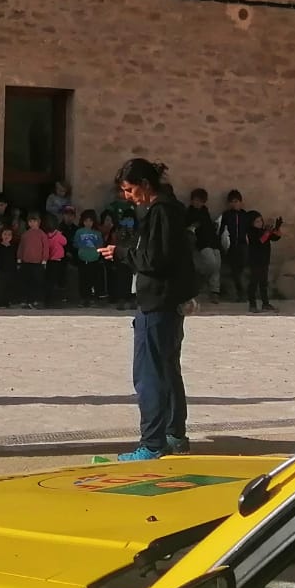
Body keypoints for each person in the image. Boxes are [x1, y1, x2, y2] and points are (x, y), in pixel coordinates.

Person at [100, 158, 195, 461]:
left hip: (156, 303)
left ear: (144, 184)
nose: (128, 196)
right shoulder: (171, 210)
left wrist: (122, 253)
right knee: (168, 368)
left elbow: (154, 260)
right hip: (169, 302)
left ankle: (153, 443)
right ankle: (174, 434)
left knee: (150, 373)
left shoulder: (160, 212)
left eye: (130, 189)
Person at [186, 188, 222, 298]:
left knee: (217, 265)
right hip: (202, 243)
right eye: (196, 200)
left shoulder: (205, 212)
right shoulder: (189, 213)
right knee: (211, 264)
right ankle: (200, 279)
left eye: (200, 201)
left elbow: (209, 227)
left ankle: (215, 291)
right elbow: (188, 229)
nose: (198, 203)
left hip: (213, 242)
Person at [245, 211, 283, 313]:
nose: (260, 223)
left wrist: (277, 228)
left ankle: (265, 304)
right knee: (253, 283)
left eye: (261, 220)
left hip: (264, 261)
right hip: (255, 261)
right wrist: (268, 232)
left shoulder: (263, 231)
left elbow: (276, 237)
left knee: (263, 283)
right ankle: (252, 305)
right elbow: (260, 241)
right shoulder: (251, 232)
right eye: (257, 221)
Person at [217, 192, 251, 303]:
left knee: (242, 268)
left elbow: (249, 230)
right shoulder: (226, 215)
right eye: (231, 202)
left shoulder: (245, 215)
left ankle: (244, 292)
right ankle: (241, 293)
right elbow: (221, 230)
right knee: (235, 270)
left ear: (240, 202)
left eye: (236, 201)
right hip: (231, 246)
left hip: (243, 245)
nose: (234, 204)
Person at [16, 210, 50, 309]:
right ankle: (27, 301)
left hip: (38, 263)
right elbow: (21, 247)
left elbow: (46, 248)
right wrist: (19, 259)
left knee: (38, 282)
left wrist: (44, 260)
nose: (32, 223)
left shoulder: (42, 234)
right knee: (27, 282)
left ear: (39, 222)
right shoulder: (25, 235)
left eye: (34, 221)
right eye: (30, 221)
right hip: (26, 262)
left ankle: (37, 301)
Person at [73, 210, 105, 304]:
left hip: (94, 259)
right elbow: (75, 244)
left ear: (93, 222)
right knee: (83, 279)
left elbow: (100, 245)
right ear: (82, 221)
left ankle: (92, 298)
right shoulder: (79, 232)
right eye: (86, 221)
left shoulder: (97, 233)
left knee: (93, 279)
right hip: (82, 259)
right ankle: (83, 298)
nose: (88, 223)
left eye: (90, 221)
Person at [0, 222, 19, 307]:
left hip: (11, 268)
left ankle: (9, 301)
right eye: (5, 234)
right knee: (1, 285)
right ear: (1, 235)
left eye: (9, 235)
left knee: (10, 284)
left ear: (12, 236)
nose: (6, 236)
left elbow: (15, 257)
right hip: (2, 268)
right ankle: (1, 302)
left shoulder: (14, 246)